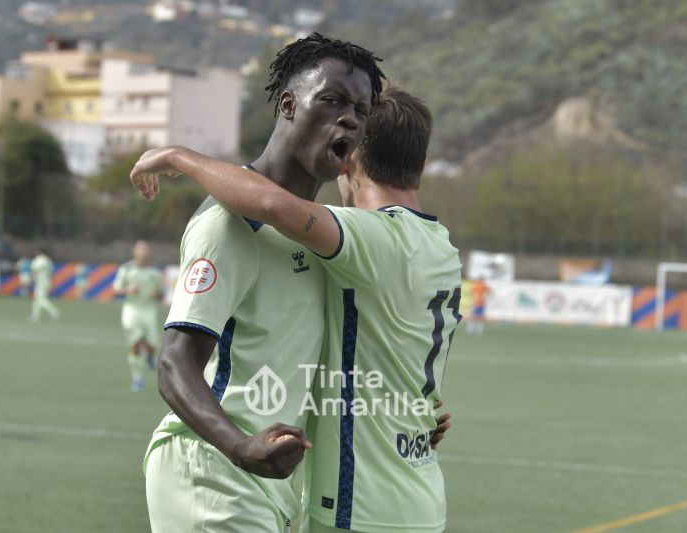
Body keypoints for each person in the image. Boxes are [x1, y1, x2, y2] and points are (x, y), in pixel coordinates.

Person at [131, 87, 461, 533]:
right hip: (421, 497)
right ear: (421, 165)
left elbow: (269, 202)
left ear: (349, 160)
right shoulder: (443, 248)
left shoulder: (368, 236)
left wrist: (177, 157)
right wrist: (417, 413)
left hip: (359, 504)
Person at [137, 33, 385, 533]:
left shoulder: (322, 231)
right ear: (289, 105)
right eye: (333, 100)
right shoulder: (227, 226)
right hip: (211, 470)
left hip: (271, 481)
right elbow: (173, 364)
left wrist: (406, 413)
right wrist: (240, 446)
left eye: (361, 109)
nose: (350, 119)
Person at [112, 241, 164, 391]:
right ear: (134, 253)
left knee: (152, 346)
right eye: (140, 249)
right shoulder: (126, 269)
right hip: (131, 310)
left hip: (149, 311)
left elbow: (161, 294)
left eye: (146, 249)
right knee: (135, 344)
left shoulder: (156, 272)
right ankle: (137, 379)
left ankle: (149, 355)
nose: (143, 252)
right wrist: (128, 289)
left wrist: (157, 294)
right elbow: (116, 290)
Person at [30, 248, 59, 321]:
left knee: (40, 299)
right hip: (47, 281)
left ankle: (54, 311)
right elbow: (52, 273)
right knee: (37, 299)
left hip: (40, 282)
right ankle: (35, 316)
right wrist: (51, 282)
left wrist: (33, 279)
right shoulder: (48, 261)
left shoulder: (38, 260)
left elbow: (35, 270)